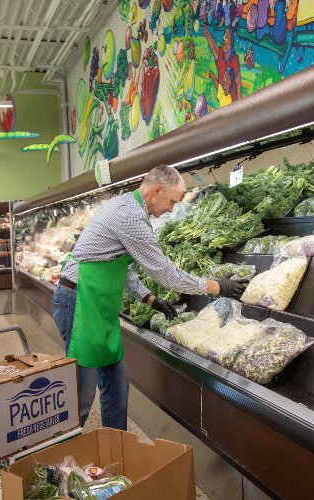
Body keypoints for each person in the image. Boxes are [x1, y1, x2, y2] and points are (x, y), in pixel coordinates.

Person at [52, 166, 246, 430]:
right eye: (172, 202)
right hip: (79, 303)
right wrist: (216, 287)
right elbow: (167, 274)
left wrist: (149, 299)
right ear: (156, 190)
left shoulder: (127, 207)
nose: (171, 210)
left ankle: (116, 450)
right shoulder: (130, 217)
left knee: (116, 386)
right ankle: (62, 461)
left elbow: (124, 267)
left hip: (96, 305)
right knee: (81, 395)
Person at [204, 25, 242, 101]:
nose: (224, 37)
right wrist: (208, 35)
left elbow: (238, 83)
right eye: (224, 35)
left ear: (231, 40)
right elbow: (213, 47)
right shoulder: (220, 53)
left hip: (233, 99)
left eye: (227, 36)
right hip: (223, 98)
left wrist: (240, 102)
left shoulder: (235, 58)